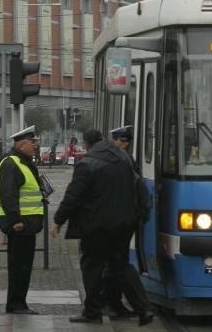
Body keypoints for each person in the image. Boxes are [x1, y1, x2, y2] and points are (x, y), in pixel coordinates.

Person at [52, 129, 154, 326]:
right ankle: (144, 309)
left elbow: (73, 196)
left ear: (87, 144)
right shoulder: (123, 159)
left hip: (97, 225)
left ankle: (92, 313)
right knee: (121, 265)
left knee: (91, 266)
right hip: (125, 223)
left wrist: (58, 220)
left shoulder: (88, 163)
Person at [0, 125, 45, 315]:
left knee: (23, 267)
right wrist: (15, 219)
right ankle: (16, 304)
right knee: (19, 268)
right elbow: (9, 194)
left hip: (28, 225)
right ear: (21, 144)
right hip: (20, 225)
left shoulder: (23, 162)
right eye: (32, 143)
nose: (34, 146)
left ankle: (19, 303)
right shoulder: (11, 163)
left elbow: (26, 190)